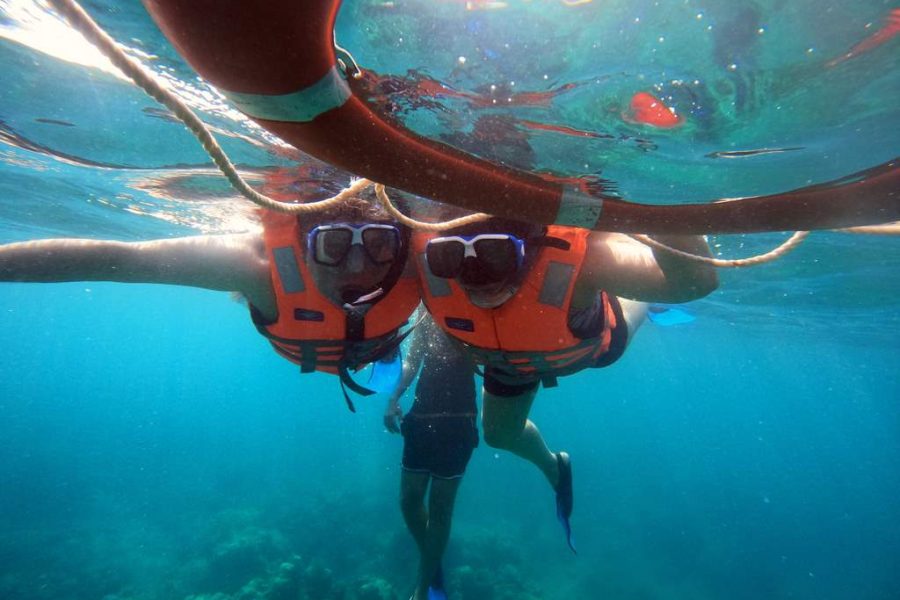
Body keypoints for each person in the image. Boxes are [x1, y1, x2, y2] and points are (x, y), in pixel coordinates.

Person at [412, 217, 719, 550]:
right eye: (450, 257)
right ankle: (555, 465)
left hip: (589, 342)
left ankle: (645, 300)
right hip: (508, 363)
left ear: (528, 249)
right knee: (499, 435)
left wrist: (651, 211)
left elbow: (695, 281)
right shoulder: (426, 264)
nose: (474, 277)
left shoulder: (587, 260)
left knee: (632, 291)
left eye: (495, 254)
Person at [0, 191, 420, 408]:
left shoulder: (418, 264)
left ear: (398, 246)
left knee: (386, 371)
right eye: (334, 245)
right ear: (304, 246)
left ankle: (386, 365)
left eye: (381, 245)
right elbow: (122, 259)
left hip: (381, 343)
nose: (358, 267)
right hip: (330, 345)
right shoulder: (258, 269)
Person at [384, 312, 478, 600]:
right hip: (421, 416)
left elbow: (485, 358)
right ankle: (432, 563)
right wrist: (393, 397)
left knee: (440, 507)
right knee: (408, 501)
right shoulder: (426, 310)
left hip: (458, 420)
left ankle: (422, 590)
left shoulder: (473, 306)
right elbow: (413, 359)